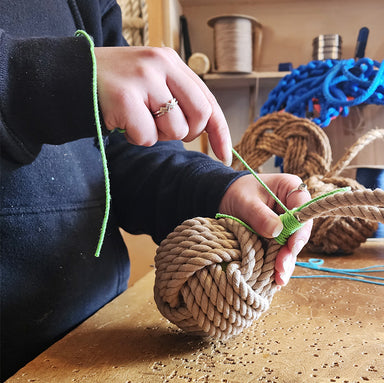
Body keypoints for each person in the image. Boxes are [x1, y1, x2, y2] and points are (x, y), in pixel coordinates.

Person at [0, 0, 312, 379]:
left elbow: (127, 153)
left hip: (104, 335)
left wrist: (223, 189)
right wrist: (51, 78)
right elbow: (64, 86)